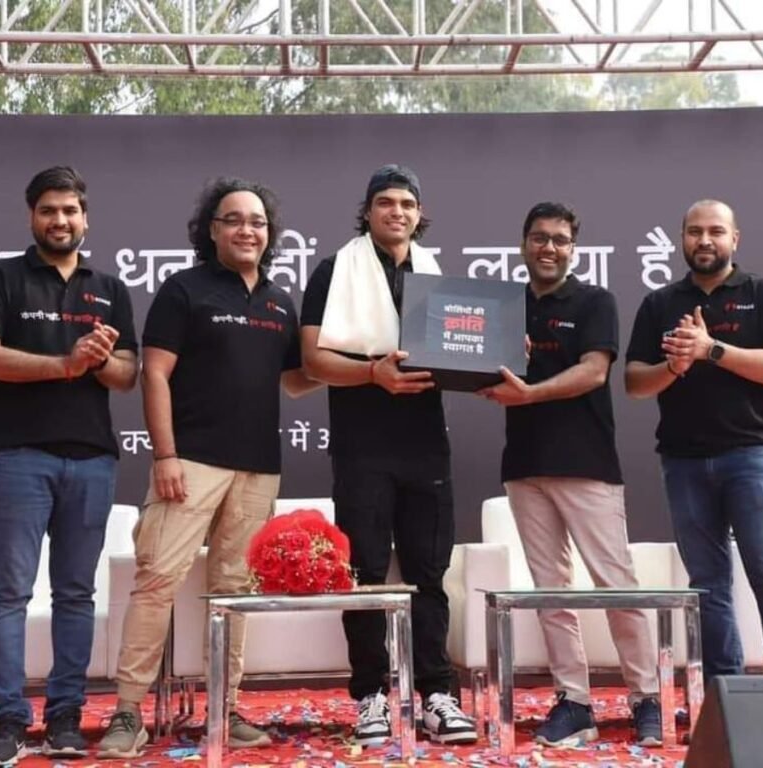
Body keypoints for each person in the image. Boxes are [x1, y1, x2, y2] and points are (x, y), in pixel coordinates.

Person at [98, 178, 318, 758]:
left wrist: (352, 357)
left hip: (258, 470)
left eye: (258, 222)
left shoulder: (279, 302)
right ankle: (128, 713)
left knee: (233, 592)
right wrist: (165, 455)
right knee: (157, 583)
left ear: (269, 234)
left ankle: (226, 707)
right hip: (189, 463)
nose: (248, 230)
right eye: (234, 219)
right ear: (211, 230)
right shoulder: (184, 289)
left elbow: (296, 381)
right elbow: (155, 373)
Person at [0, 166, 139, 764]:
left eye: (69, 211)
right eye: (48, 211)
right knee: (9, 591)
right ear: (32, 217)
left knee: (76, 594)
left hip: (91, 459)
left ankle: (65, 717)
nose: (60, 221)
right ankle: (8, 722)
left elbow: (128, 374)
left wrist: (98, 359)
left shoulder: (110, 288)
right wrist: (65, 363)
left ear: (86, 218)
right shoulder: (0, 277)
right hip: (15, 455)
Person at [300, 165, 477, 746]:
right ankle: (371, 696)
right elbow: (313, 361)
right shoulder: (335, 269)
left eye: (406, 203)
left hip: (426, 445)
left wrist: (499, 349)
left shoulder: (438, 276)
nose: (396, 211)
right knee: (364, 573)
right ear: (368, 211)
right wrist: (373, 374)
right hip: (363, 446)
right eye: (385, 202)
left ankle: (438, 695)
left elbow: (464, 350)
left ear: (419, 214)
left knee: (429, 574)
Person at [478, 202, 661, 746]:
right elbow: (479, 367)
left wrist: (531, 391)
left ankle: (646, 697)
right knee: (550, 591)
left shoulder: (595, 301)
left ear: (573, 249)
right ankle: (575, 702)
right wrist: (488, 365)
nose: (549, 248)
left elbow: (593, 371)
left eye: (559, 240)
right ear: (523, 245)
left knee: (615, 584)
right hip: (525, 464)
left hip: (586, 463)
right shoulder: (504, 306)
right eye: (539, 238)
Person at [625, 199, 763, 682]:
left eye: (715, 231)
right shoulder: (659, 303)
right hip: (683, 461)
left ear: (735, 238)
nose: (704, 240)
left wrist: (711, 350)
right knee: (706, 586)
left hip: (753, 455)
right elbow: (634, 383)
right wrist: (674, 366)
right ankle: (721, 693)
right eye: (694, 232)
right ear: (682, 239)